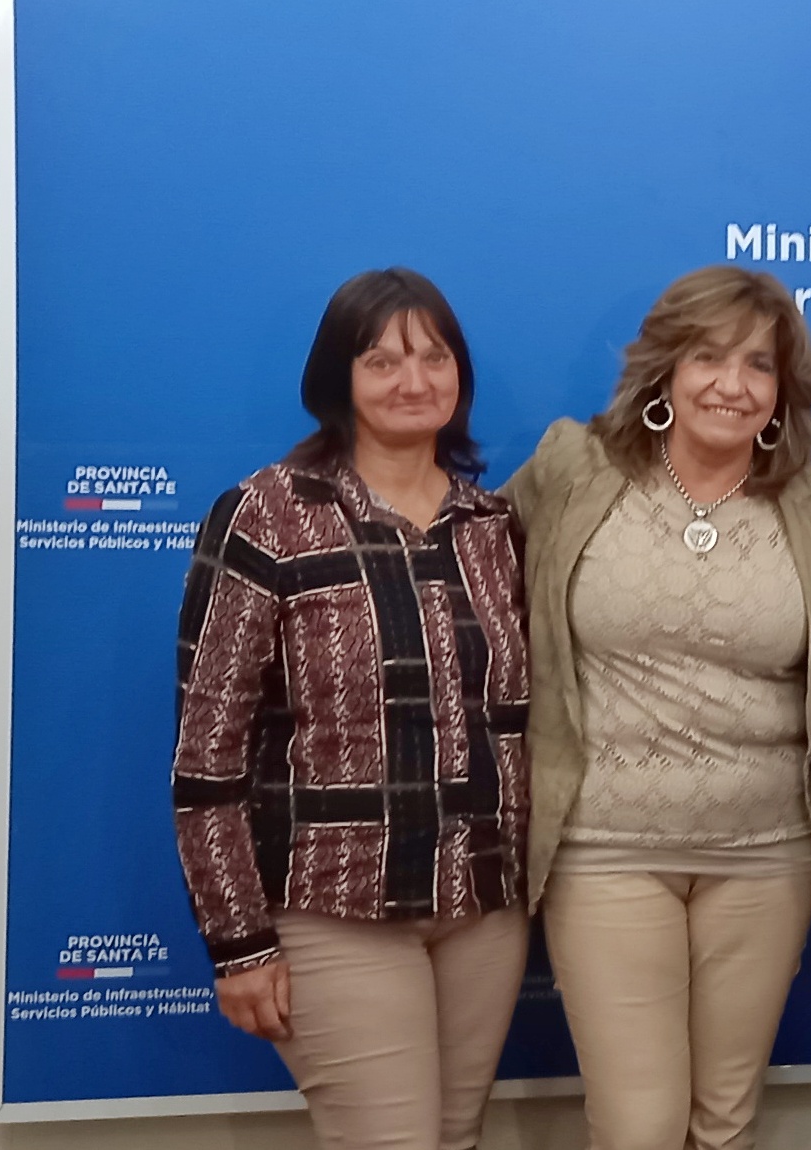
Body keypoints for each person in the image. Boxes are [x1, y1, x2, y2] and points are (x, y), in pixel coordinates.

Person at [172, 268, 531, 1150]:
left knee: (455, 1137)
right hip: (333, 906)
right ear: (339, 378)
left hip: (483, 901)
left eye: (434, 357)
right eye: (382, 361)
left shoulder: (493, 523)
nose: (414, 381)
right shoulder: (268, 515)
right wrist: (238, 943)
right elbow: (208, 750)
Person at [502, 266, 811, 1150]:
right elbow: (471, 583)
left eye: (759, 365)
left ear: (782, 390)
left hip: (768, 854)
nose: (733, 384)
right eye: (708, 357)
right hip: (605, 847)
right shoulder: (573, 466)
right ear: (664, 367)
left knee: (725, 1123)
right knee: (640, 1128)